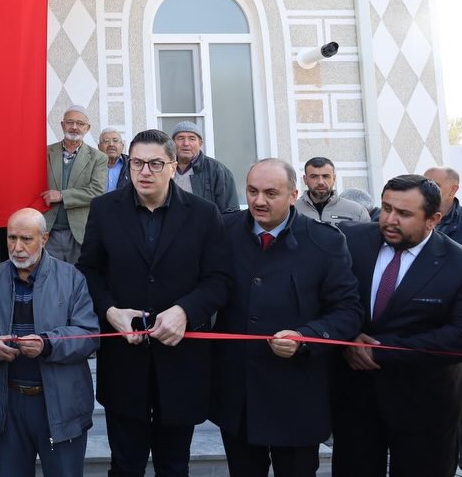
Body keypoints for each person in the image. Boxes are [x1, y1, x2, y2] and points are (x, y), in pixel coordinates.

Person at [77, 128, 231, 477]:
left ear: (173, 167)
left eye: (155, 164)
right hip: (124, 360)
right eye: (137, 163)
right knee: (125, 465)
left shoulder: (204, 214)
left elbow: (219, 279)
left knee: (174, 466)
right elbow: (89, 270)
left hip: (181, 360)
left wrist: (185, 312)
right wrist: (109, 311)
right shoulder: (104, 209)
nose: (144, 172)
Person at [211, 159, 362, 477]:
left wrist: (306, 337)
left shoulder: (325, 241)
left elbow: (348, 311)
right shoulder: (223, 231)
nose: (259, 201)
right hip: (239, 395)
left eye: (271, 193)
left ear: (294, 195)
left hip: (298, 394)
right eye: (252, 191)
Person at [331, 174, 462, 477]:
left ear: (433, 219)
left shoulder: (456, 263)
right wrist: (348, 338)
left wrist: (380, 352)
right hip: (355, 401)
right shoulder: (349, 240)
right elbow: (328, 298)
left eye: (403, 213)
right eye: (387, 208)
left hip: (426, 407)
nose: (390, 220)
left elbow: (457, 337)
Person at [0, 208, 99, 477]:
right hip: (8, 405)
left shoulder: (71, 278)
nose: (17, 247)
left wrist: (48, 344)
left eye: (26, 239)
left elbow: (89, 334)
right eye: (11, 238)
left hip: (60, 404)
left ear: (44, 239)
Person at [41, 106, 108, 263]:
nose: (74, 127)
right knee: (49, 275)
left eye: (80, 123)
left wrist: (62, 195)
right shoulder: (43, 152)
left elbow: (97, 191)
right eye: (70, 122)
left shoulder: (98, 158)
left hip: (79, 232)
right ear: (62, 125)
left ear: (87, 128)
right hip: (47, 230)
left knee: (79, 275)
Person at [170, 121, 239, 212]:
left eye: (192, 139)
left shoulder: (218, 171)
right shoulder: (165, 167)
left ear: (200, 144)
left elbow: (230, 211)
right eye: (180, 138)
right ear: (172, 143)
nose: (186, 143)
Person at [295, 157, 370, 225]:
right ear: (305, 180)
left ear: (334, 179)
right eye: (314, 176)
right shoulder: (292, 210)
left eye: (326, 176)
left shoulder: (357, 212)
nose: (320, 182)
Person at [424, 166, 462, 243]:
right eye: (423, 185)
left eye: (434, 185)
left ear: (453, 190)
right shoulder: (412, 213)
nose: (426, 190)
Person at [98, 128, 130, 193]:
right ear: (99, 147)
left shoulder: (132, 164)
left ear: (122, 146)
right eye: (106, 141)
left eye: (115, 141)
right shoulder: (91, 164)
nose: (111, 144)